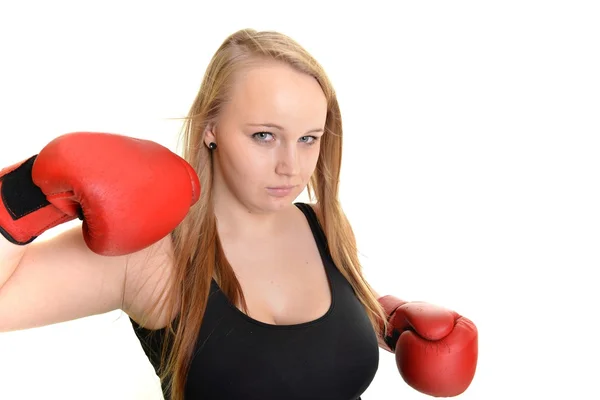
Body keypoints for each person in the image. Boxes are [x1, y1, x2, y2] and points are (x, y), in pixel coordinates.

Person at [0, 28, 478, 400]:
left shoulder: (320, 225)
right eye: (264, 136)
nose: (291, 165)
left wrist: (391, 324)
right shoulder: (153, 251)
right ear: (211, 128)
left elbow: (311, 347)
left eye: (308, 137)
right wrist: (24, 191)